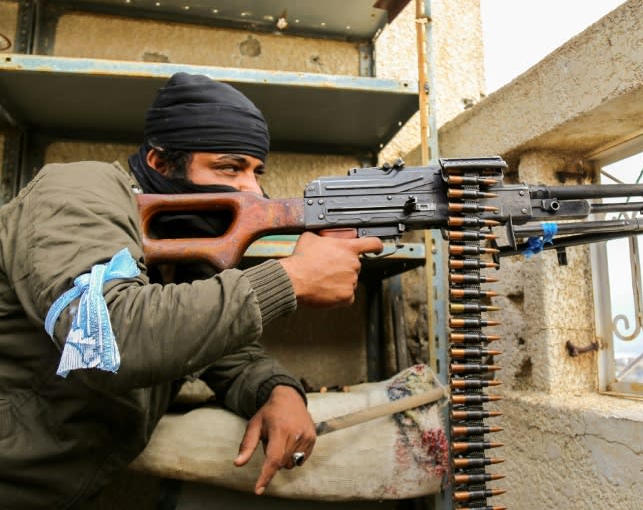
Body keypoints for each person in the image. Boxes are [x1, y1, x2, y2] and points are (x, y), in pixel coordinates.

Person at [0, 72, 383, 509]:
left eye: (257, 171)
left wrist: (278, 391)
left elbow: (219, 350)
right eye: (229, 167)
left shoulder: (175, 241)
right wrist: (290, 278)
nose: (252, 190)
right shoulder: (76, 192)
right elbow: (106, 339)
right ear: (161, 163)